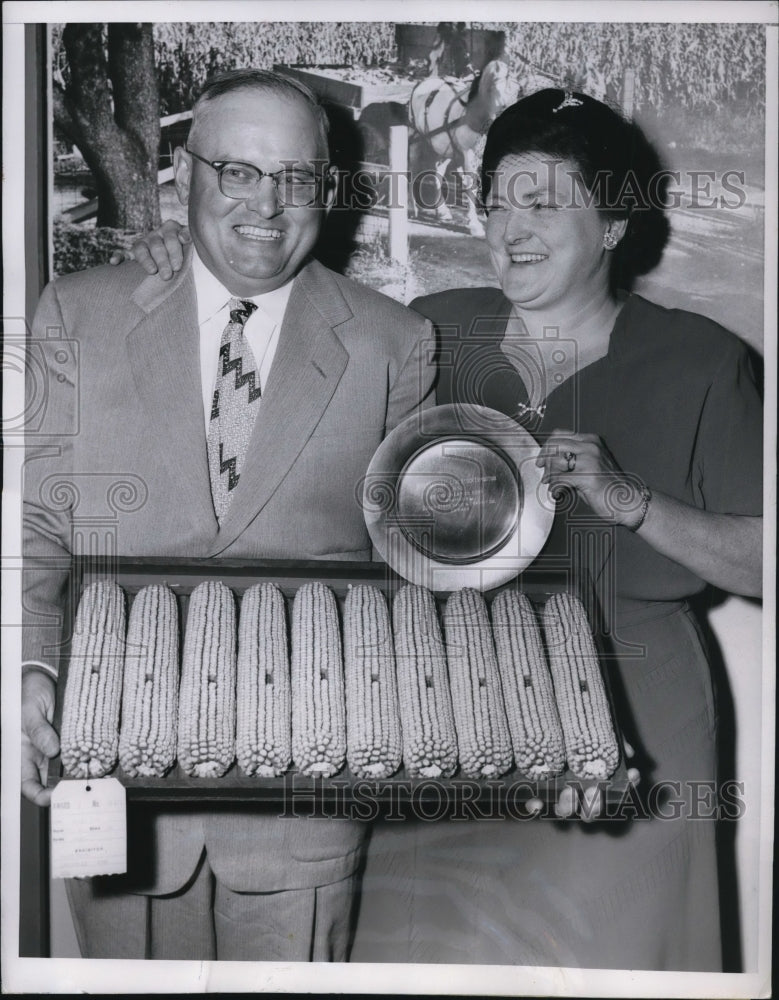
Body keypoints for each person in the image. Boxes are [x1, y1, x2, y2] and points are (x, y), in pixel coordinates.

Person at [131, 88, 763, 971]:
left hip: (637, 716)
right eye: (496, 201)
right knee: (424, 954)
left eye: (542, 202)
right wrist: (183, 263)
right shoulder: (429, 329)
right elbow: (277, 331)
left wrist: (633, 503)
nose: (510, 227)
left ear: (613, 222)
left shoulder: (703, 361)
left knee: (613, 963)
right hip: (449, 706)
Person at [22, 68, 434, 962]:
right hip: (115, 785)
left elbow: (415, 572)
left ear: (325, 189)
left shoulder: (391, 342)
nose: (267, 205)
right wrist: (29, 666)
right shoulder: (78, 316)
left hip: (305, 799)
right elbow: (40, 527)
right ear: (183, 171)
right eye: (237, 172)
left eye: (294, 177)